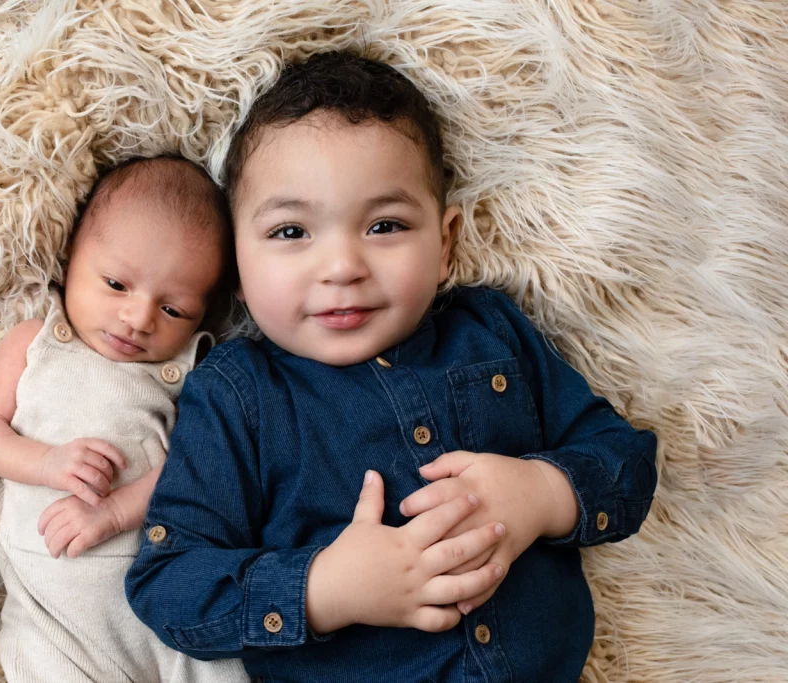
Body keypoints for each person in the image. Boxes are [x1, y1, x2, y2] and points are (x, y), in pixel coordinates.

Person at [125, 52, 658, 682]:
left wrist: (544, 494)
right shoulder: (237, 395)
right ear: (235, 270)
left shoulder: (491, 333)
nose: (343, 266)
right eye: (292, 232)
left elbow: (625, 459)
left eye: (385, 225)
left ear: (446, 246)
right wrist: (325, 589)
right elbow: (167, 582)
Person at [0, 156, 248, 683]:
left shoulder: (190, 372)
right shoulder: (35, 342)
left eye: (175, 310)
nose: (138, 319)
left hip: (168, 593)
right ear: (72, 256)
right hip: (56, 613)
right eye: (116, 284)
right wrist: (46, 462)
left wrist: (114, 513)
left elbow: (194, 471)